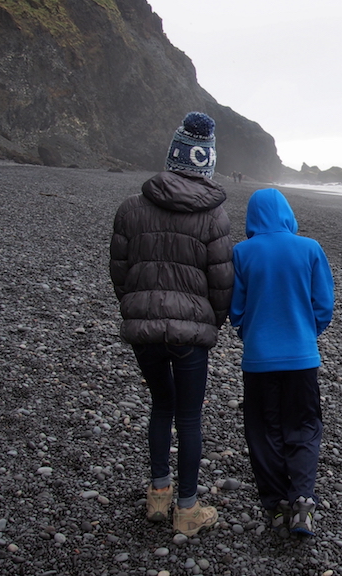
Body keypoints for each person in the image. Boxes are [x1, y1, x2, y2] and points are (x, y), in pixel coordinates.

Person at [109, 111, 233, 537]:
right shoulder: (214, 217)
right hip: (191, 335)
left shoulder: (130, 208)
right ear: (207, 163)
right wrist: (209, 324)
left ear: (172, 157)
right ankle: (187, 509)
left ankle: (158, 494)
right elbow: (221, 282)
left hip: (144, 329)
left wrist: (135, 307)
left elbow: (120, 271)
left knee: (161, 406)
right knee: (190, 416)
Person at [230, 188, 334, 537]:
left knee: (263, 431)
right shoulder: (309, 248)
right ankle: (303, 498)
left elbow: (237, 310)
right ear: (287, 213)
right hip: (302, 357)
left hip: (258, 359)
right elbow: (324, 305)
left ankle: (276, 505)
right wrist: (307, 332)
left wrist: (250, 333)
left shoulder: (242, 252)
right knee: (304, 426)